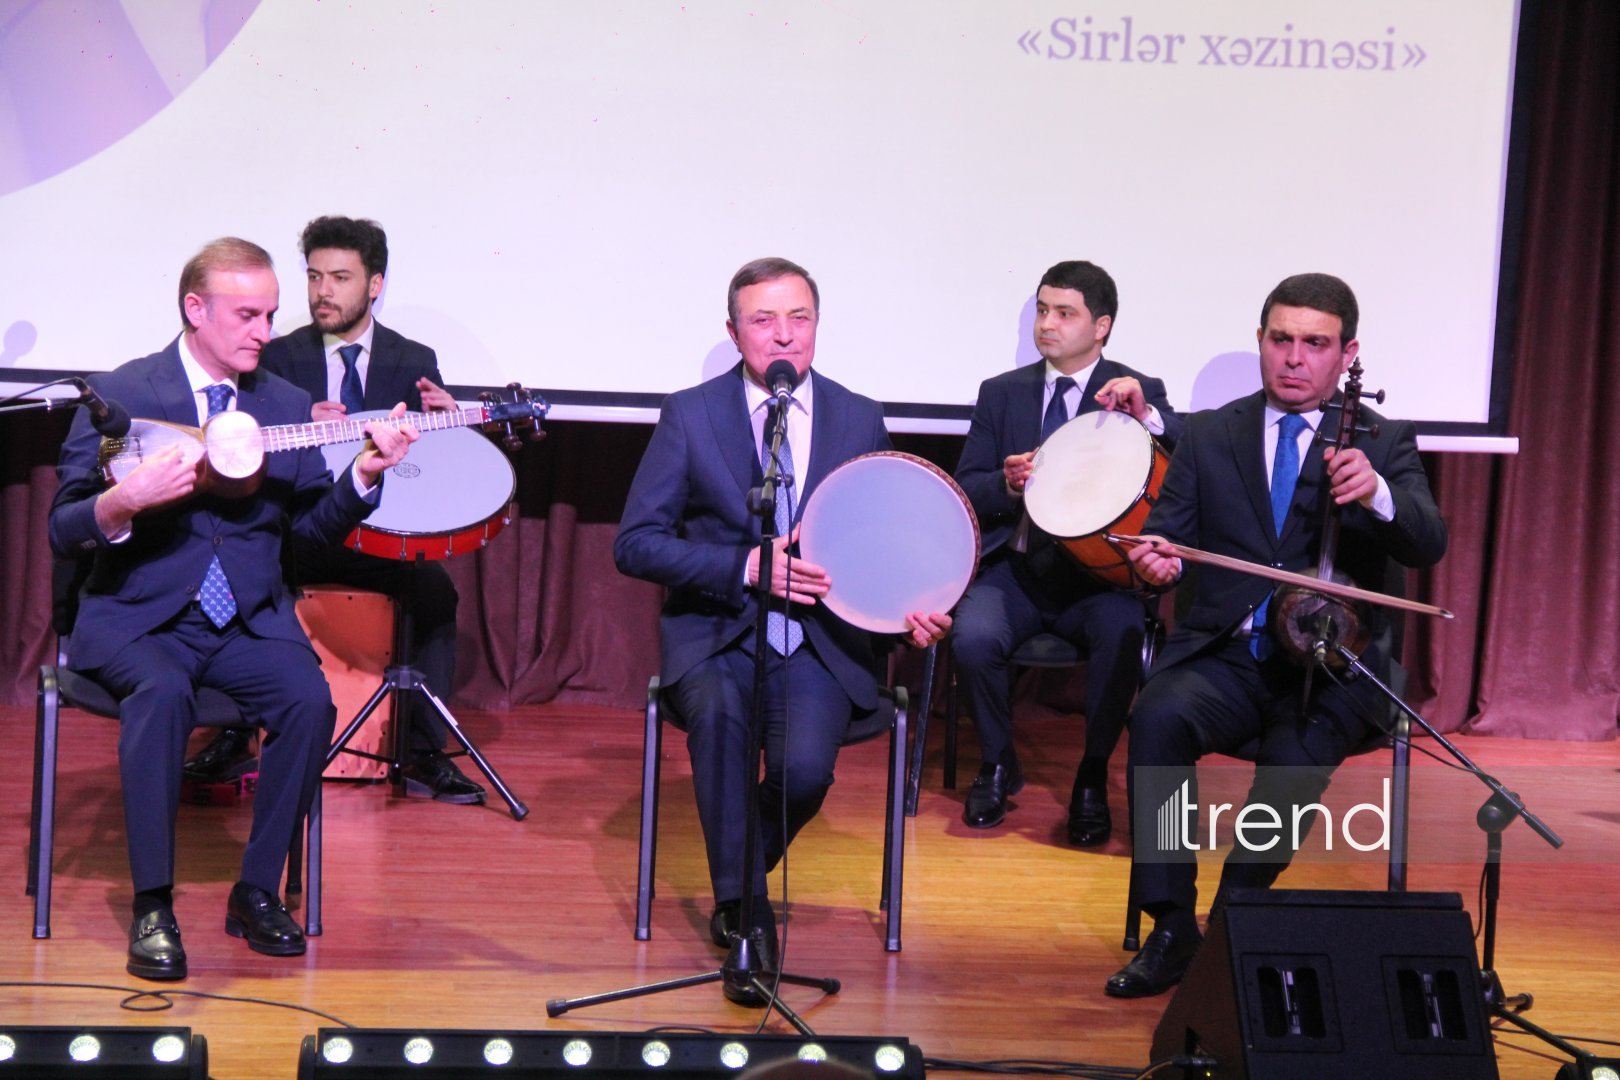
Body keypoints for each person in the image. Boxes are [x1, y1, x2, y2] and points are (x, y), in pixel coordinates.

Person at [48, 237, 418, 981]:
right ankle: (153, 903)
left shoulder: (282, 406)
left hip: (246, 621)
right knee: (161, 691)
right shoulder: (123, 394)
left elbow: (310, 539)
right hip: (137, 619)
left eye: (270, 314)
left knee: (307, 698)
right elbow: (63, 526)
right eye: (247, 314)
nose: (264, 331)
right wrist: (122, 501)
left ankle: (256, 891)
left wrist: (363, 479)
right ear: (195, 308)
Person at [1104, 272, 1447, 998]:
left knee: (1292, 766)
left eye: (1315, 344)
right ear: (1260, 341)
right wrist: (1159, 562)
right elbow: (1171, 536)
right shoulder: (1211, 431)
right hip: (1227, 654)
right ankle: (1171, 923)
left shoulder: (1381, 443)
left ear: (1346, 353)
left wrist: (1379, 495)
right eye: (1281, 339)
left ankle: (1235, 920)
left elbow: (1429, 541)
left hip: (1332, 669)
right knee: (1158, 717)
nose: (1294, 358)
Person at [613, 257, 948, 998]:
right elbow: (635, 542)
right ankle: (747, 920)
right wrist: (743, 566)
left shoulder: (858, 416)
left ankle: (737, 876)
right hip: (718, 635)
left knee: (803, 771)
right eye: (763, 321)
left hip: (820, 642)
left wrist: (909, 613)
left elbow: (886, 538)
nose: (783, 336)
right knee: (724, 729)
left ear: (817, 328)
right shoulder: (691, 415)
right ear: (734, 332)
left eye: (798, 318)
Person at [182, 215, 482, 804]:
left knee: (435, 592)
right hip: (294, 532)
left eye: (340, 277)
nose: (323, 292)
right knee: (250, 573)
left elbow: (436, 468)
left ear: (374, 285)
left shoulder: (412, 356)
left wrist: (449, 425)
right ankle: (234, 736)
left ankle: (424, 753)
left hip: (375, 535)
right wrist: (299, 428)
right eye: (315, 276)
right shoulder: (276, 356)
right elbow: (230, 441)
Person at [951, 261, 1183, 841]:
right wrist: (1004, 483)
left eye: (1064, 313)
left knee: (1125, 632)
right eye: (1042, 310)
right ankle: (998, 761)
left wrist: (1147, 417)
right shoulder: (1000, 394)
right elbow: (966, 489)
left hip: (1099, 580)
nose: (1047, 324)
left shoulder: (1136, 390)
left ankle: (1091, 775)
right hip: (1018, 571)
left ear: (1101, 326)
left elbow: (1184, 448)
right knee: (972, 635)